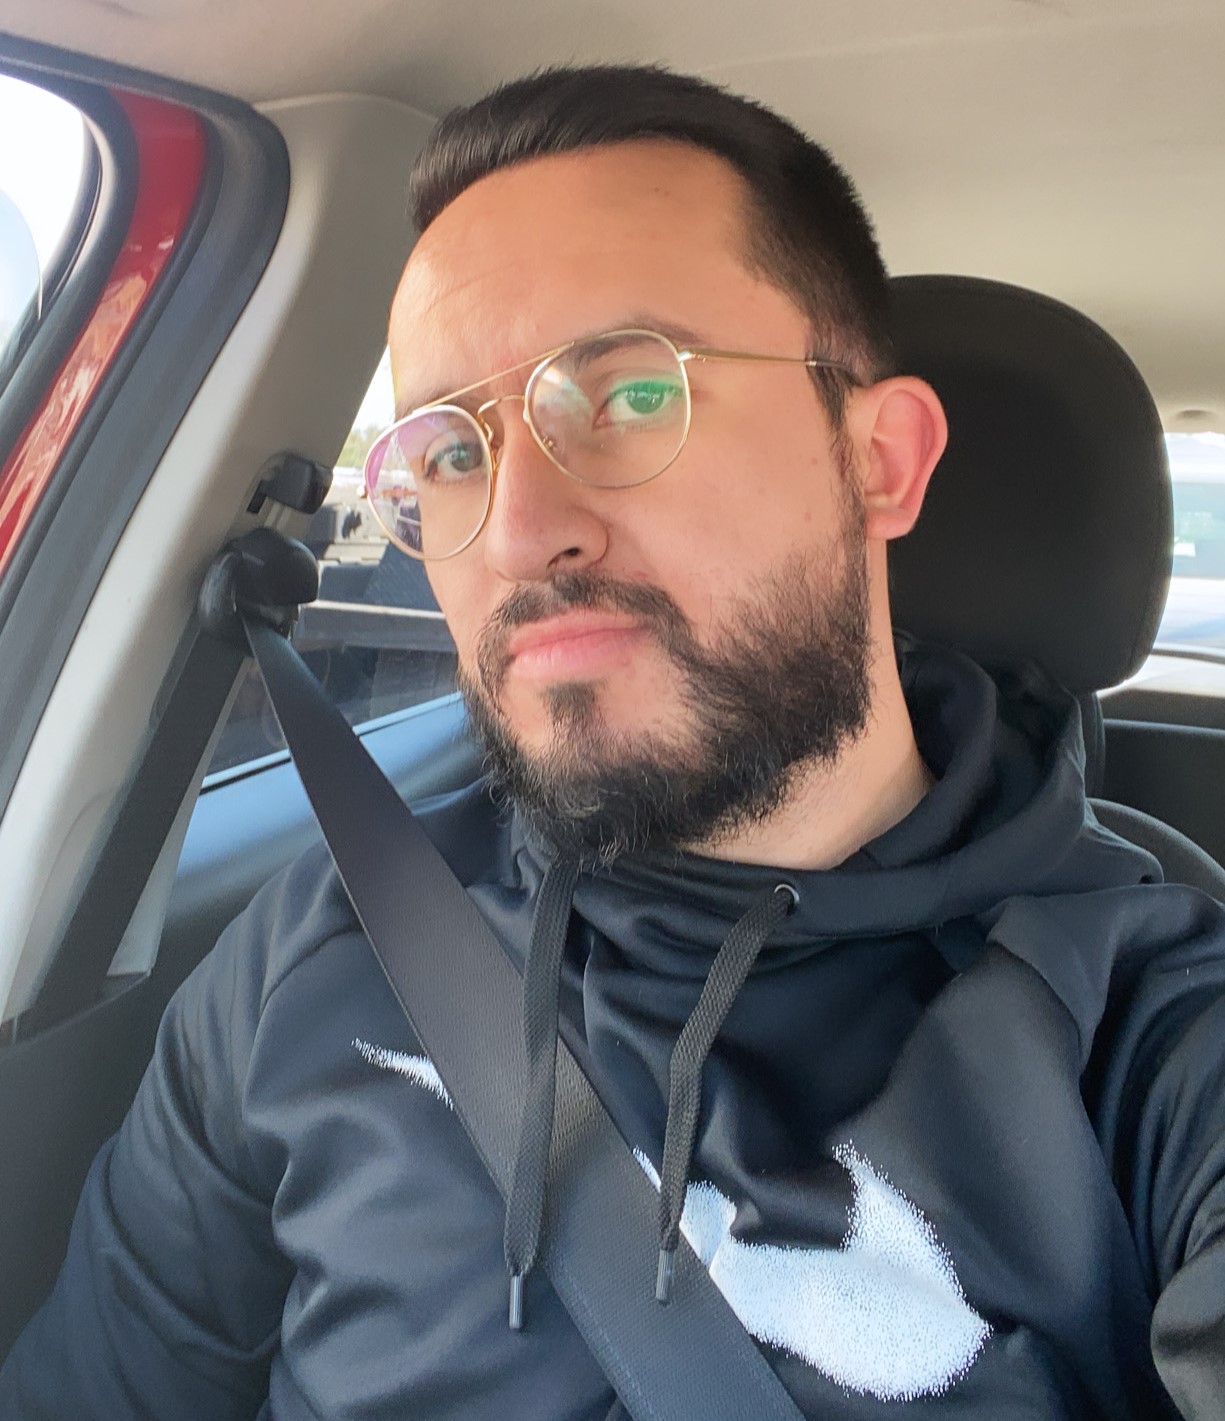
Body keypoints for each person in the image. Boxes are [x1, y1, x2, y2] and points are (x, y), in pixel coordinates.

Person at [2, 64, 1223, 1421]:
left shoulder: (1153, 1033)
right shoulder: (321, 949)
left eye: (633, 396)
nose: (521, 531)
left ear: (878, 460)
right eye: (450, 452)